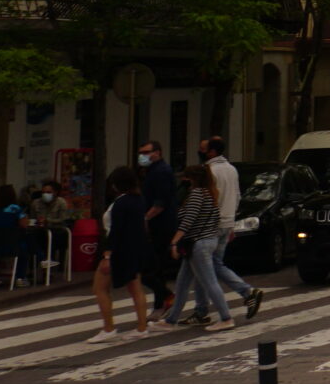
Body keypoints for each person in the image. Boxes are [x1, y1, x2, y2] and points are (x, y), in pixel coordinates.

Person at [196, 137, 263, 321]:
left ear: (211, 152)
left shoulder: (208, 171)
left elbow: (207, 200)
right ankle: (200, 310)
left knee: (209, 266)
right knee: (205, 266)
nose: (199, 151)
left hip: (211, 225)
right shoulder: (232, 169)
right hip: (226, 223)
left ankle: (246, 292)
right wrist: (231, 222)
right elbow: (237, 196)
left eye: (202, 148)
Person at [89, 166, 152, 340]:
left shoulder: (120, 203)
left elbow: (115, 231)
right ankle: (142, 327)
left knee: (100, 288)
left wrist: (107, 255)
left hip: (118, 251)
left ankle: (108, 328)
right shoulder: (139, 200)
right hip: (134, 249)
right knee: (136, 289)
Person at [169, 164, 234, 331]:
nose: (184, 181)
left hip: (199, 243)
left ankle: (226, 317)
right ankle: (171, 319)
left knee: (209, 282)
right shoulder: (211, 193)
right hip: (204, 241)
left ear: (192, 179)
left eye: (186, 178)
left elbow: (188, 220)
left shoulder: (197, 194)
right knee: (182, 282)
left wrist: (175, 241)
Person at [137, 142, 178, 319]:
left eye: (146, 152)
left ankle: (164, 299)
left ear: (158, 152)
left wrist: (146, 218)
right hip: (157, 225)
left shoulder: (161, 172)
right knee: (154, 268)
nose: (143, 156)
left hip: (162, 226)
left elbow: (161, 202)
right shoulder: (152, 172)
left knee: (152, 269)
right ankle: (162, 301)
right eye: (141, 153)